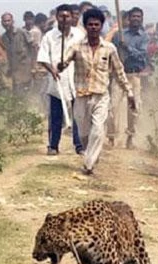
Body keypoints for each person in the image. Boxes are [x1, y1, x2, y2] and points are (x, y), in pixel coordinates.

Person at [58, 8, 135, 175]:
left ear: (101, 27)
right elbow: (64, 61)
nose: (93, 27)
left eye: (96, 24)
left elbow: (119, 71)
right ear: (85, 26)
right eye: (90, 24)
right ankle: (90, 154)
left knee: (98, 129)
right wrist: (61, 65)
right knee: (84, 134)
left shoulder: (109, 48)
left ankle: (89, 164)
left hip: (100, 95)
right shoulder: (76, 47)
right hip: (81, 96)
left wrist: (129, 92)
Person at [37, 4, 85, 156]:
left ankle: (79, 145)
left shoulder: (79, 35)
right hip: (56, 81)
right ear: (56, 17)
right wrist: (53, 70)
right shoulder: (49, 36)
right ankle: (53, 145)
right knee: (56, 116)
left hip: (77, 80)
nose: (64, 20)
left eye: (67, 16)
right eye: (61, 16)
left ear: (72, 18)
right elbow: (43, 57)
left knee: (78, 115)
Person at [111, 7, 148, 149]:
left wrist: (127, 48)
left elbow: (142, 55)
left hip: (134, 75)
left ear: (142, 19)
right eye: (134, 16)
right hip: (119, 74)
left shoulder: (143, 37)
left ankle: (130, 137)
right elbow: (112, 52)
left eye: (139, 16)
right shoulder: (119, 34)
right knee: (113, 106)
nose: (136, 19)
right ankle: (112, 137)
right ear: (129, 18)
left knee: (134, 108)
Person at [1, 12, 34, 100]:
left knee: (30, 95)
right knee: (17, 95)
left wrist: (34, 67)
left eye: (8, 20)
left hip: (27, 70)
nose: (6, 23)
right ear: (2, 23)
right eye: (4, 21)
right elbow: (7, 55)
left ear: (13, 21)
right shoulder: (4, 37)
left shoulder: (22, 32)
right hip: (15, 72)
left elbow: (34, 48)